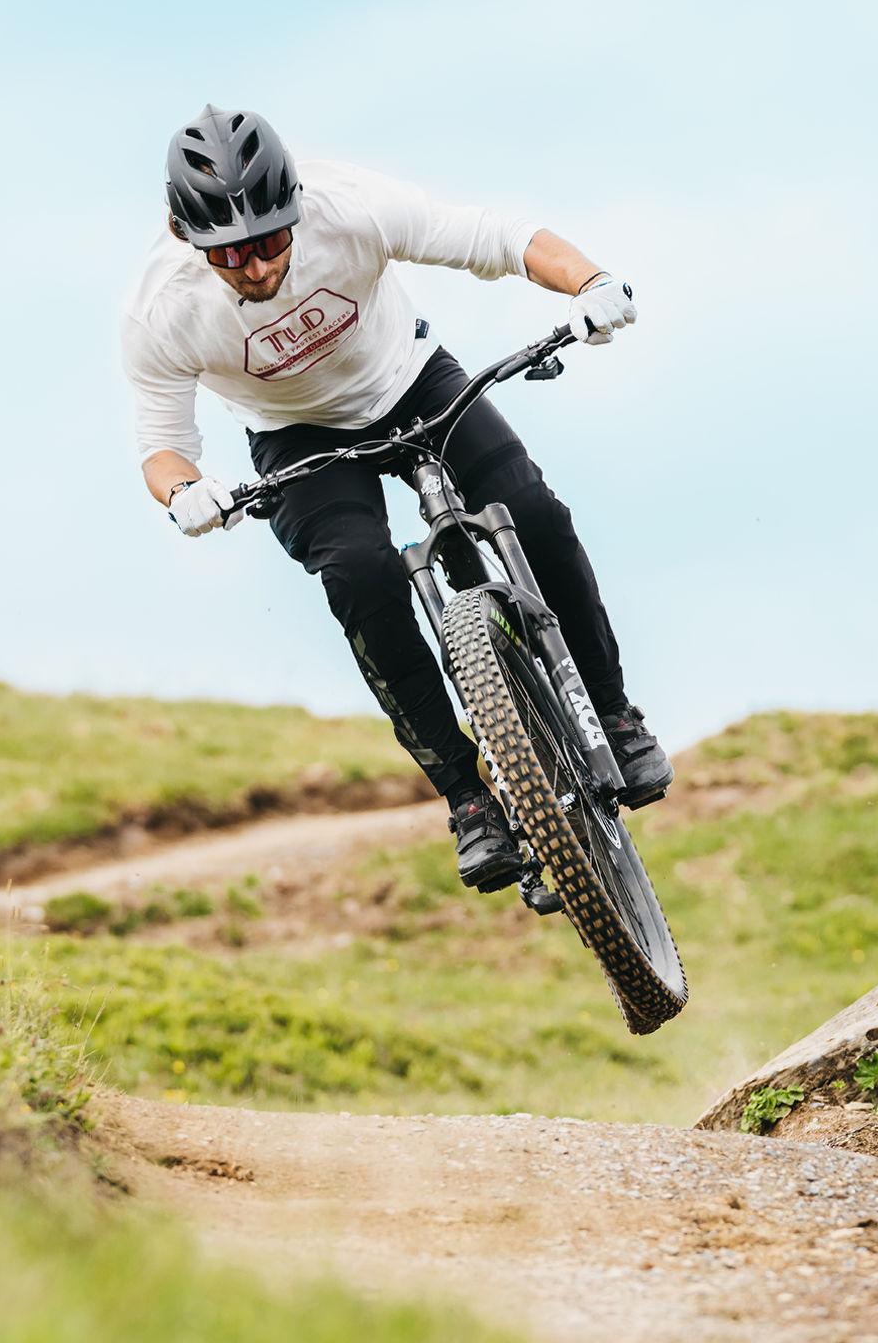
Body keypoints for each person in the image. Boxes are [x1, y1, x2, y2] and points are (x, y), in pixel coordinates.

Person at [119, 105, 672, 894]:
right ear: (186, 238)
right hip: (296, 434)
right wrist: (184, 495)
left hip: (410, 378)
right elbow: (161, 444)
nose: (254, 268)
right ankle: (470, 799)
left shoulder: (350, 206)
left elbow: (495, 237)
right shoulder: (158, 309)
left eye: (270, 241)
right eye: (228, 254)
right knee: (360, 574)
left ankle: (613, 714)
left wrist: (589, 281)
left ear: (296, 210)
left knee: (535, 510)